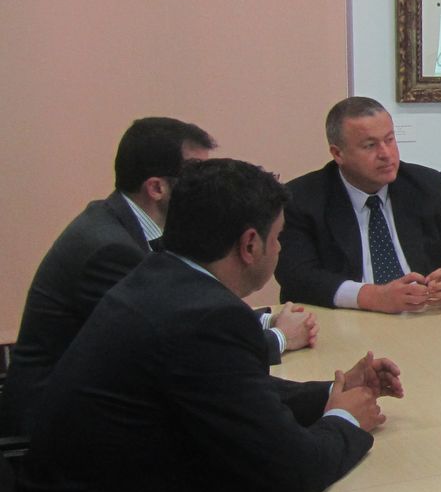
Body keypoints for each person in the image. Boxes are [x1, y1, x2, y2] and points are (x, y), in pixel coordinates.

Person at [21, 158, 401, 492]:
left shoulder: (162, 279)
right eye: (278, 238)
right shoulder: (201, 315)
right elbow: (297, 469)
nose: (279, 250)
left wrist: (330, 392)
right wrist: (347, 420)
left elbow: (231, 393)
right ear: (249, 244)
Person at [2, 117, 314, 435]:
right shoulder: (110, 250)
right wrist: (280, 337)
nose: (206, 182)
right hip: (56, 425)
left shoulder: (121, 224)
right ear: (156, 188)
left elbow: (187, 317)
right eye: (194, 173)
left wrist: (264, 320)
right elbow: (185, 347)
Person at [277, 96, 441, 313]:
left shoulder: (428, 186)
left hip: (422, 316)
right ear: (338, 153)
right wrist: (374, 296)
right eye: (370, 145)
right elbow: (297, 277)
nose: (386, 154)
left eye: (390, 140)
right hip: (347, 318)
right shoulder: (301, 199)